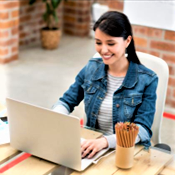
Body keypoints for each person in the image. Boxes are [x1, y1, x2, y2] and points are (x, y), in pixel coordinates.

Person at [52, 11, 158, 159]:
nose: (103, 50)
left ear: (127, 41)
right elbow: (66, 101)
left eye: (111, 43)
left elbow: (143, 129)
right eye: (98, 42)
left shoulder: (147, 79)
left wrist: (105, 142)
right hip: (92, 149)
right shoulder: (91, 68)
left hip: (127, 152)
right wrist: (56, 118)